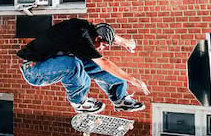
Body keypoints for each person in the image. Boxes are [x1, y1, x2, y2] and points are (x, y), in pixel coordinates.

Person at [17, 18, 150, 113]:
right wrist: (133, 80)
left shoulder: (88, 27)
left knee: (89, 63)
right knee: (74, 64)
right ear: (97, 39)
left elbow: (108, 34)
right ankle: (79, 102)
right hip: (34, 70)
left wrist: (125, 42)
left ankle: (120, 99)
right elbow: (105, 64)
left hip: (53, 61)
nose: (102, 48)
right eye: (103, 45)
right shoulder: (81, 39)